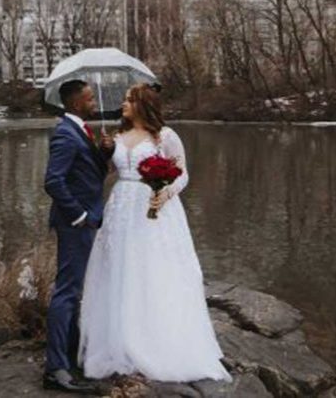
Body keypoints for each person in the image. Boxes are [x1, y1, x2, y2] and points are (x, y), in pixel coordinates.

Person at [79, 83, 231, 383]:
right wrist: (104, 152)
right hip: (121, 206)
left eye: (129, 99)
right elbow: (108, 172)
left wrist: (166, 193)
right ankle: (119, 339)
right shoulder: (118, 136)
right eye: (124, 99)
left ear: (143, 104)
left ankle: (156, 337)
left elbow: (183, 173)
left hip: (154, 208)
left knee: (152, 267)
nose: (123, 104)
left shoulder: (165, 136)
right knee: (119, 269)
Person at [42, 80, 115, 394]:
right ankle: (55, 369)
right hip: (76, 224)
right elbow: (53, 182)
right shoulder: (65, 133)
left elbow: (87, 173)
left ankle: (69, 354)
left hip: (84, 221)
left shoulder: (80, 130)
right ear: (74, 103)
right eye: (89, 99)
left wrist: (102, 153)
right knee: (67, 291)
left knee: (73, 289)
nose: (94, 103)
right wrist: (80, 216)